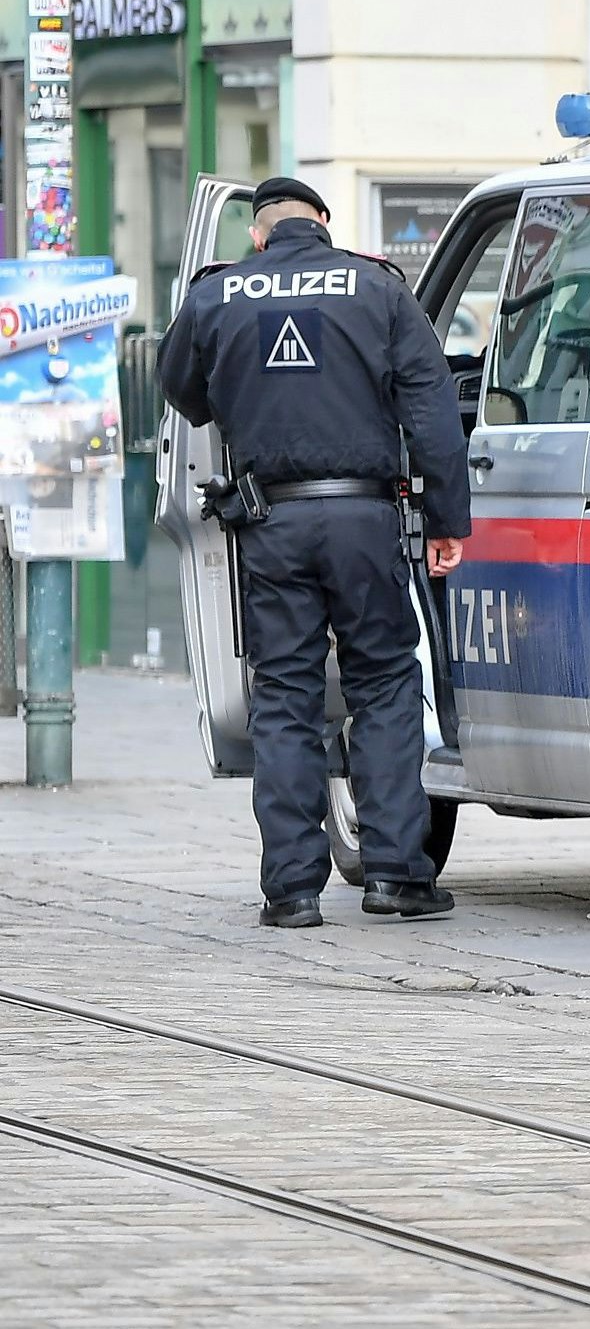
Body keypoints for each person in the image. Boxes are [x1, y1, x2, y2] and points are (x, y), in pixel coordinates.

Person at [154, 175, 470, 928]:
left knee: (285, 695)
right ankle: (396, 875)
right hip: (367, 517)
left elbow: (179, 389)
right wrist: (447, 520)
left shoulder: (217, 293)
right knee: (384, 683)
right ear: (324, 221)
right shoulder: (379, 288)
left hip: (270, 521)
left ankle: (293, 890)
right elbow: (432, 411)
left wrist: (243, 388)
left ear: (257, 233)